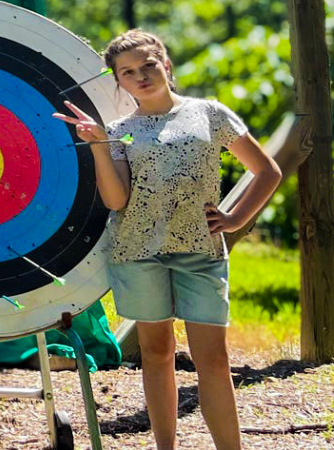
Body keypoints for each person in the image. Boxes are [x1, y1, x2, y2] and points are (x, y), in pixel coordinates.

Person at [52, 29, 281, 450]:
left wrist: (234, 218)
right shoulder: (118, 130)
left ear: (166, 64)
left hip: (201, 253)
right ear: (118, 81)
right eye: (128, 72)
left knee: (212, 359)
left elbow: (268, 171)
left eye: (148, 65)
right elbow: (116, 199)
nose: (141, 76)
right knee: (156, 355)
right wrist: (99, 144)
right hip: (137, 254)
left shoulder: (210, 114)